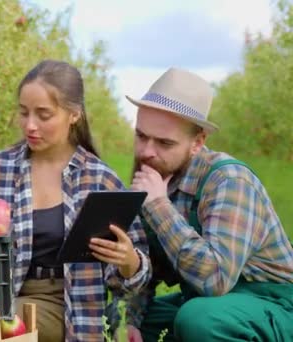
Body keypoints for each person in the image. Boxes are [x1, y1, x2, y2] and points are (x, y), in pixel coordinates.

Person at [0, 60, 152, 341]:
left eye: (43, 115)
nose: (30, 125)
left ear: (74, 114)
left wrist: (129, 262)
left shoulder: (99, 180)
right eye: (23, 112)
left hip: (65, 304)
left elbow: (136, 280)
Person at [112, 67, 293, 341]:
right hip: (213, 302)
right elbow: (147, 268)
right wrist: (133, 320)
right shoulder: (156, 180)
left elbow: (215, 280)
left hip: (273, 301)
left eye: (164, 142)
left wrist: (159, 205)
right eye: (141, 136)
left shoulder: (228, 180)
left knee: (198, 319)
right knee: (128, 320)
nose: (147, 152)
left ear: (197, 143)